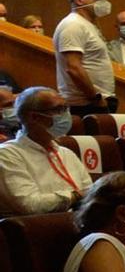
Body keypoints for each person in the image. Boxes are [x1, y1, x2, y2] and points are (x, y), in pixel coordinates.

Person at [0, 87, 90, 215]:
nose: (66, 115)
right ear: (34, 117)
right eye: (58, 109)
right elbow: (30, 205)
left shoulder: (67, 153)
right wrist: (75, 196)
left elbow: (91, 196)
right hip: (38, 231)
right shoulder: (7, 155)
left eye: (66, 108)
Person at [53, 0, 117, 115]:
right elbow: (73, 68)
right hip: (85, 105)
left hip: (94, 102)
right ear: (79, 0)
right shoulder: (73, 25)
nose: (102, 1)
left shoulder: (87, 24)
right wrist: (95, 98)